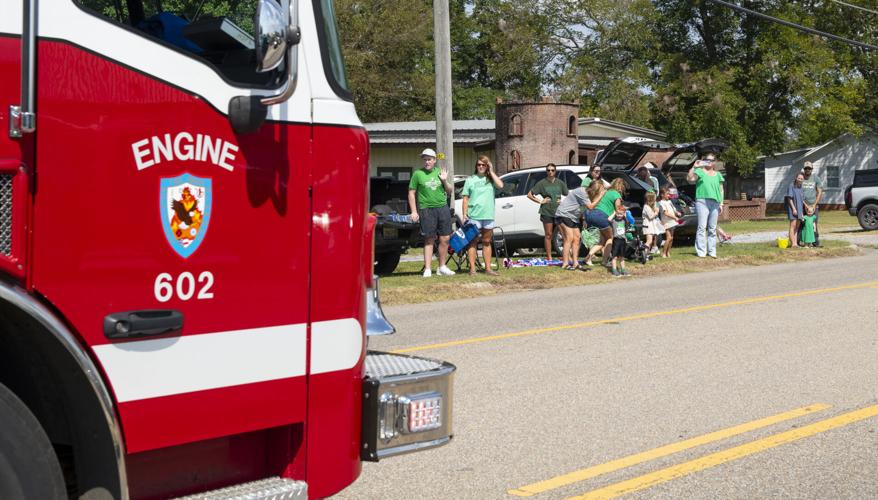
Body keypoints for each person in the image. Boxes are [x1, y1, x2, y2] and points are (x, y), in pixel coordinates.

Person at [408, 148, 455, 277]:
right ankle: (428, 269)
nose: (427, 162)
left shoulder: (440, 172)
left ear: (434, 160)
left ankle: (442, 267)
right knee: (429, 239)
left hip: (442, 207)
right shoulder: (418, 174)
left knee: (445, 238)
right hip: (426, 209)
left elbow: (450, 191)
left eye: (429, 159)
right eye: (425, 160)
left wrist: (444, 180)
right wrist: (414, 211)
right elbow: (411, 193)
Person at [461, 156, 504, 275]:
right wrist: (465, 214)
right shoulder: (470, 179)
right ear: (476, 166)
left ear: (487, 166)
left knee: (486, 241)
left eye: (483, 165)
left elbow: (500, 185)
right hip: (474, 215)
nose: (481, 167)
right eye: (479, 165)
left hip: (488, 214)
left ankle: (488, 269)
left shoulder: (490, 179)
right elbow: (465, 198)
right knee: (473, 242)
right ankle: (472, 270)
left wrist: (491, 171)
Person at [527, 164, 568, 260]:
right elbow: (529, 195)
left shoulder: (560, 183)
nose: (550, 172)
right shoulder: (542, 183)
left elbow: (568, 195)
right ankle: (549, 257)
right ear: (546, 171)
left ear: (555, 171)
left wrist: (562, 202)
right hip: (547, 211)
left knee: (564, 234)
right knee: (548, 234)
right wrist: (540, 201)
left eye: (552, 170)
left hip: (559, 212)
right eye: (548, 170)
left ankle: (565, 256)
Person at [687, 153, 725, 258]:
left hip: (715, 202)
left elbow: (721, 190)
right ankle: (701, 251)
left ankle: (712, 251)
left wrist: (721, 203)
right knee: (701, 227)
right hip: (702, 201)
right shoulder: (699, 171)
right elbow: (690, 179)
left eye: (711, 160)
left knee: (712, 228)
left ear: (715, 162)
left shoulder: (718, 174)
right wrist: (694, 167)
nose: (709, 162)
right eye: (707, 160)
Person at [588, 177, 627, 266]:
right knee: (610, 238)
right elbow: (618, 210)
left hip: (593, 213)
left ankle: (591, 258)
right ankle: (603, 261)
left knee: (602, 241)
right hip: (602, 216)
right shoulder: (616, 194)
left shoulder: (606, 192)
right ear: (621, 187)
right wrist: (625, 210)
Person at [555, 184, 591, 270]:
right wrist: (600, 196)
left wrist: (583, 218)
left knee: (577, 238)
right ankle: (565, 263)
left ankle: (575, 263)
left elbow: (583, 208)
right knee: (569, 238)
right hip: (563, 214)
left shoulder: (590, 196)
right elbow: (591, 206)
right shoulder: (583, 192)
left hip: (573, 218)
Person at [800, 162, 824, 246]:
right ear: (804, 169)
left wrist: (814, 204)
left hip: (813, 206)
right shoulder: (801, 178)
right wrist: (804, 204)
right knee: (802, 223)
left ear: (812, 169)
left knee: (814, 223)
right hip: (802, 205)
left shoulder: (815, 178)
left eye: (809, 168)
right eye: (806, 168)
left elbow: (820, 192)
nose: (807, 170)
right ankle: (800, 241)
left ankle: (815, 242)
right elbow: (798, 192)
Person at [657, 186, 682, 258]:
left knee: (672, 238)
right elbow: (666, 213)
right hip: (667, 222)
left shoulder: (669, 201)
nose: (669, 195)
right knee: (668, 238)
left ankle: (668, 252)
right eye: (667, 194)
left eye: (669, 194)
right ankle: (664, 253)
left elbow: (674, 209)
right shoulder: (661, 203)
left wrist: (677, 213)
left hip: (672, 222)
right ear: (662, 195)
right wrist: (674, 217)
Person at [608, 205, 630, 277]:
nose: (619, 215)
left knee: (622, 256)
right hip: (616, 240)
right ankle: (614, 270)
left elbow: (627, 220)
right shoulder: (614, 221)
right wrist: (614, 213)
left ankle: (623, 270)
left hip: (623, 240)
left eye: (621, 214)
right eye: (618, 214)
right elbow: (609, 219)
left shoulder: (624, 221)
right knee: (614, 256)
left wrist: (624, 214)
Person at [786, 173, 805, 248]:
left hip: (800, 210)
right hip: (793, 209)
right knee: (792, 226)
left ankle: (795, 243)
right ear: (796, 178)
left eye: (801, 179)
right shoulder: (791, 186)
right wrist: (794, 209)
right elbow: (789, 199)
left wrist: (802, 212)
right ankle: (793, 243)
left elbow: (802, 200)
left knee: (797, 227)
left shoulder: (801, 188)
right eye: (799, 178)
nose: (800, 180)